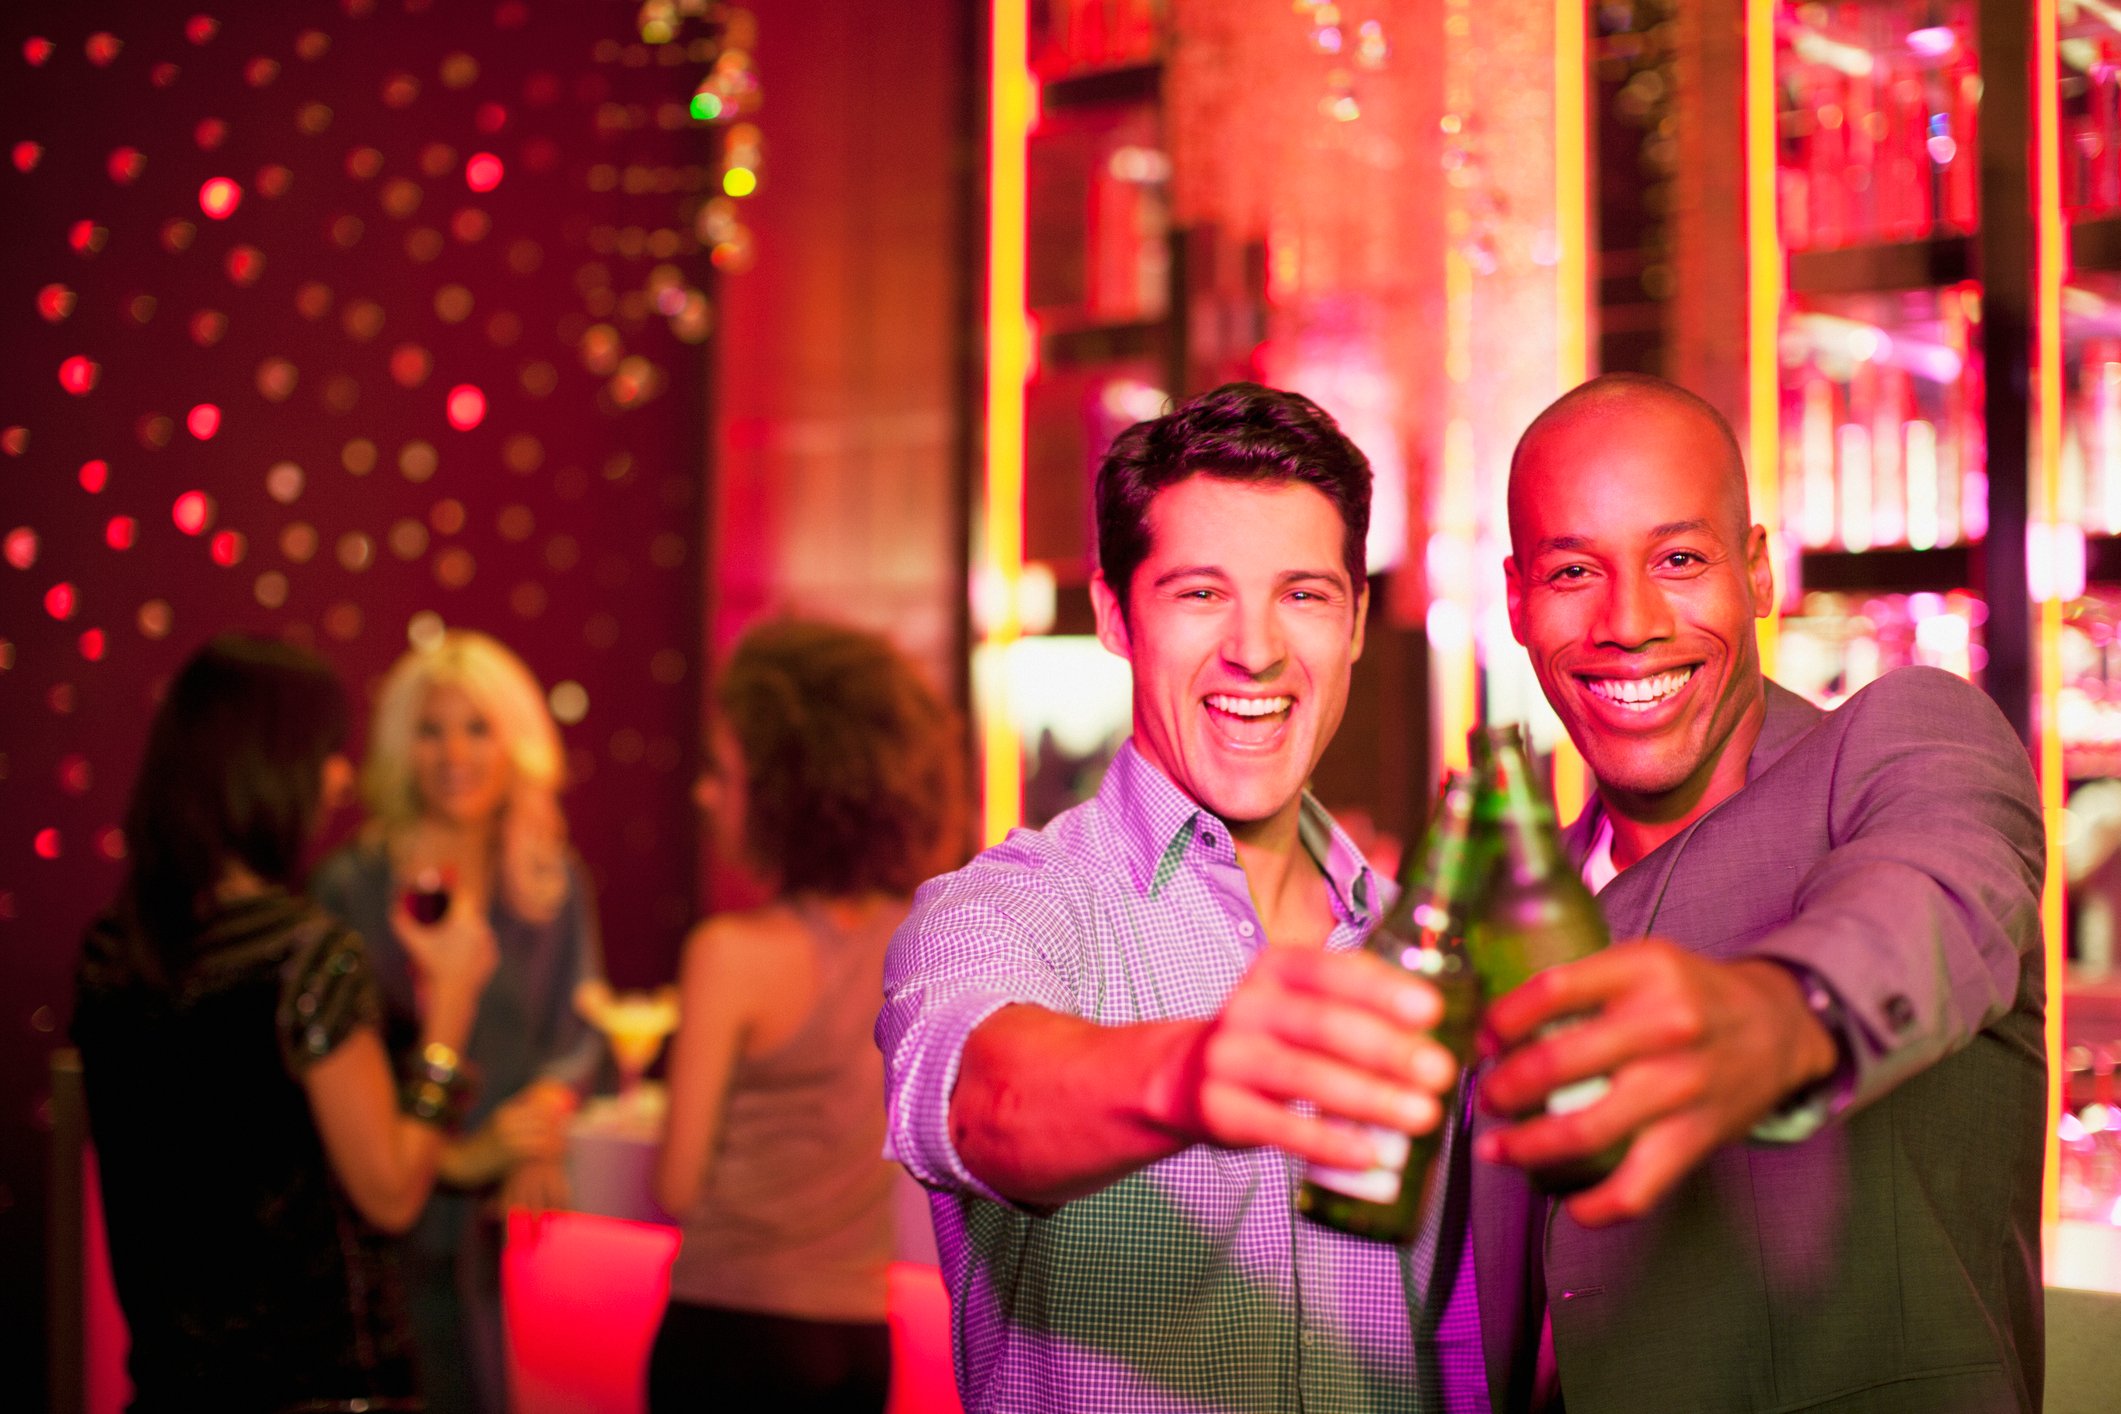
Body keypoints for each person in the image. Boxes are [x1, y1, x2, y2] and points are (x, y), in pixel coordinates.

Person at [879, 383, 1471, 1413]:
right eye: (1200, 593)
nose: (1257, 649)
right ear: (1115, 614)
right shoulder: (1005, 911)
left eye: (1304, 594)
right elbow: (984, 1105)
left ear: (1358, 620)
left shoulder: (1418, 940)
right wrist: (1195, 1074)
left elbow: (1458, 1333)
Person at [1470, 373, 2045, 1412]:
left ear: (1759, 572)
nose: (1629, 621)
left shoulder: (1899, 742)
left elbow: (1938, 894)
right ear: (1516, 599)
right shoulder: (1506, 915)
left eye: (1679, 559)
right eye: (1573, 570)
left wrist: (1778, 1016)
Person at [73, 634, 495, 1412]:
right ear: (268, 767)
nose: (341, 780)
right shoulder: (305, 956)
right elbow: (394, 1192)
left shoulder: (114, 948)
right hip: (323, 1388)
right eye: (327, 754)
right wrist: (451, 1009)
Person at [648, 618, 962, 1412]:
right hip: (858, 1339)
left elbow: (677, 1184)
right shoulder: (920, 942)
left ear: (789, 790)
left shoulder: (729, 952)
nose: (703, 792)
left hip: (731, 1325)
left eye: (723, 772)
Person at [314, 630, 605, 1414]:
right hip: (388, 1215)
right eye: (431, 729)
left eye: (477, 727)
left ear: (514, 741)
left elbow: (580, 1034)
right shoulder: (352, 884)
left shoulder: (552, 880)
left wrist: (538, 1124)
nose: (454, 752)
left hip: (510, 1222)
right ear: (399, 748)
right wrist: (462, 1155)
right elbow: (334, 1070)